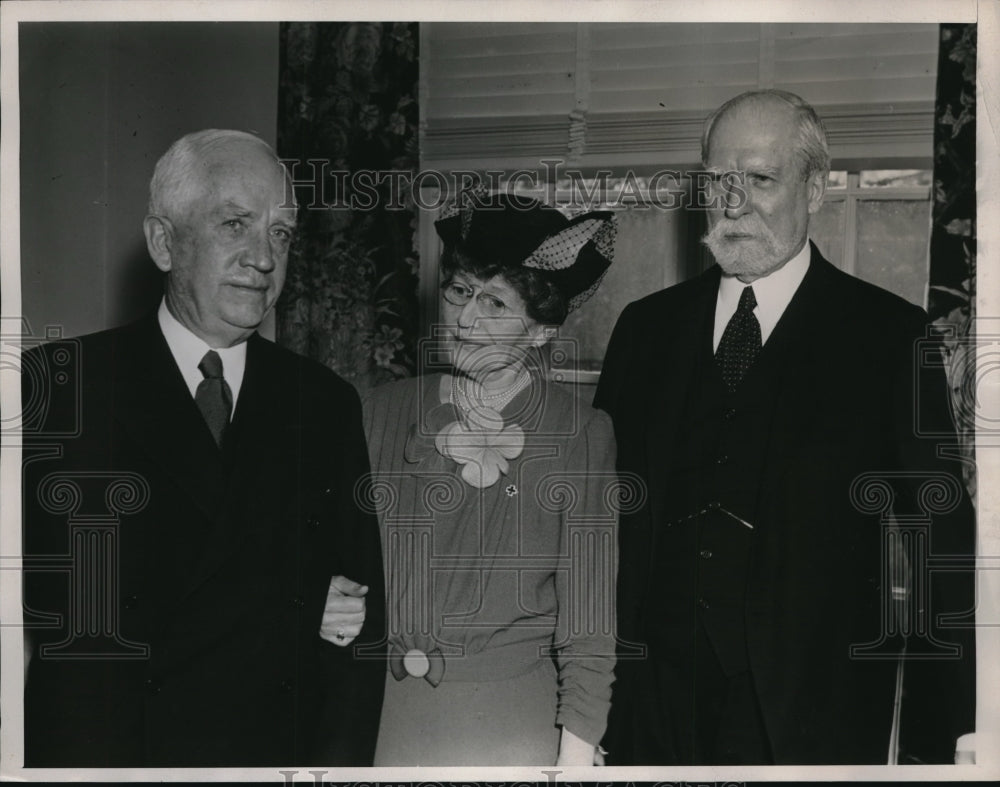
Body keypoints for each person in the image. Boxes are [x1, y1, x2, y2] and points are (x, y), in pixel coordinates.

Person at [596, 90, 976, 765]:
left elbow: (937, 543)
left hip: (812, 715)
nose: (732, 205)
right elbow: (597, 518)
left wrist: (949, 732)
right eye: (719, 181)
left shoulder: (889, 337)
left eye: (761, 179)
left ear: (816, 188)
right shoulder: (644, 329)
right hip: (649, 707)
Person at [21, 129, 386, 767]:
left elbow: (357, 631)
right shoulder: (59, 387)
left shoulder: (324, 403)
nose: (264, 258)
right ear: (164, 242)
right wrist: (295, 603)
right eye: (235, 224)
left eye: (280, 232)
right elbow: (80, 609)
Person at [360, 190, 619, 765]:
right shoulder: (378, 410)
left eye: (497, 304)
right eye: (459, 291)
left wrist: (574, 760)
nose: (467, 318)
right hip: (376, 718)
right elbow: (332, 560)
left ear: (541, 332)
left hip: (510, 728)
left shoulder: (580, 433)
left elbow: (590, 629)